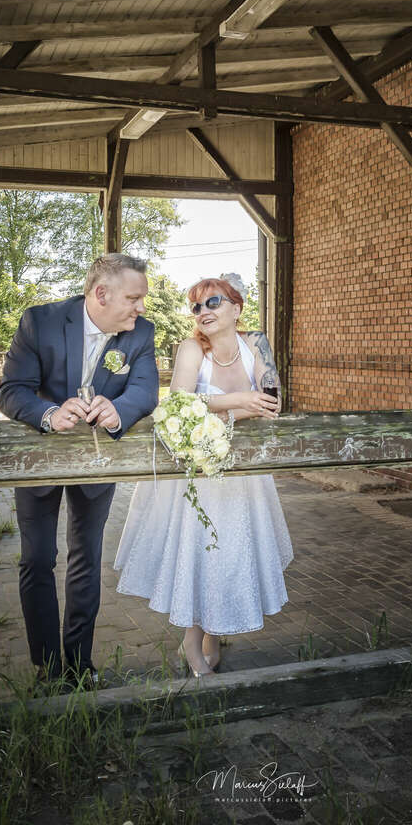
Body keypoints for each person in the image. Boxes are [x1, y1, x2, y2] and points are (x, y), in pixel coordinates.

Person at [114, 273, 293, 677]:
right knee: (202, 554)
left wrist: (224, 410)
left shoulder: (256, 343)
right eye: (196, 306)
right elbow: (179, 403)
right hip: (198, 470)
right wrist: (239, 403)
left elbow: (273, 400)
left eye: (213, 302)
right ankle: (191, 645)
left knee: (230, 555)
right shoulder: (192, 348)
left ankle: (212, 638)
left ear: (237, 308)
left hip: (242, 474)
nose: (202, 312)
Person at [0, 253, 158, 687]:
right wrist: (49, 413)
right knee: (37, 559)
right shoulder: (40, 322)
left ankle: (79, 664)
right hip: (41, 460)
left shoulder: (141, 332)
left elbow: (145, 390)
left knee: (86, 558)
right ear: (101, 294)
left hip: (97, 463)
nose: (141, 307)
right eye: (134, 298)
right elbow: (12, 391)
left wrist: (119, 409)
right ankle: (48, 667)